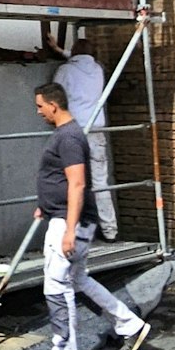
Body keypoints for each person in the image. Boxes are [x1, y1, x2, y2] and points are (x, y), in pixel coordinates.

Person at [31, 80, 148, 350]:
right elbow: (62, 180)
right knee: (79, 279)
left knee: (57, 288)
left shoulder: (68, 138)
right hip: (62, 217)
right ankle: (131, 326)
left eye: (40, 106)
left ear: (54, 105)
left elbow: (78, 183)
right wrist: (46, 203)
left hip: (69, 223)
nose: (39, 112)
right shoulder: (66, 134)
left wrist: (69, 229)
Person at [47, 33, 118, 239]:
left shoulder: (65, 70)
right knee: (100, 181)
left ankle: (72, 230)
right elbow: (81, 58)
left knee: (72, 181)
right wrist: (62, 51)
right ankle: (110, 230)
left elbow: (55, 98)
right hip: (97, 129)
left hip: (74, 131)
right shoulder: (97, 70)